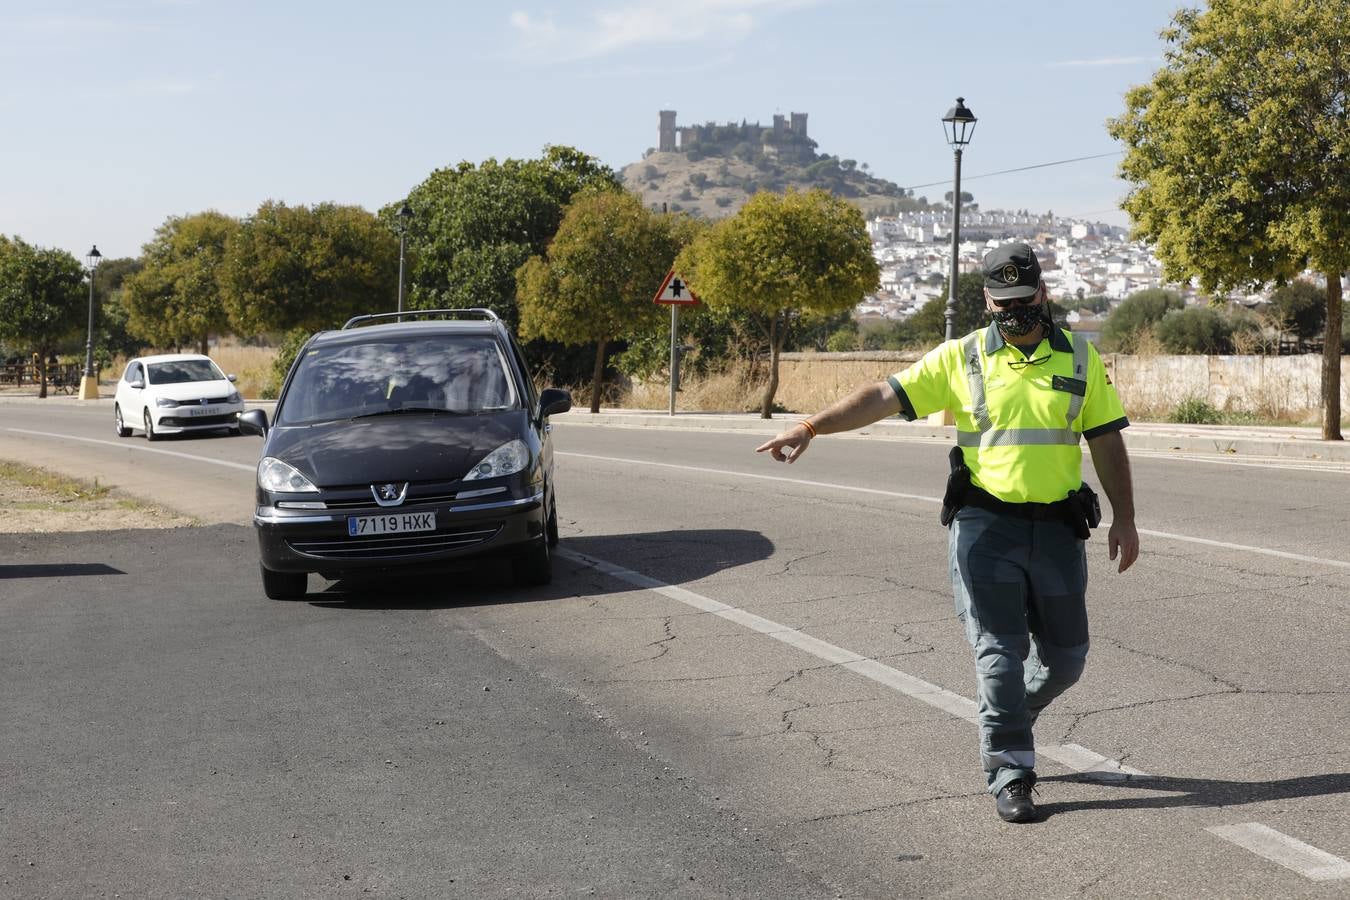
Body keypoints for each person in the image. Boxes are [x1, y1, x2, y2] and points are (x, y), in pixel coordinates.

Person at [756, 242, 1139, 824]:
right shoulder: (961, 357)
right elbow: (882, 397)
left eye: (1024, 299)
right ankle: (1011, 770)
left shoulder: (1082, 359)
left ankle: (1008, 714)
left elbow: (1107, 440)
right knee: (1000, 658)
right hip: (985, 530)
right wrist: (813, 425)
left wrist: (1126, 517)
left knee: (1067, 661)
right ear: (987, 299)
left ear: (1044, 292)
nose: (1014, 311)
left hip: (1058, 533)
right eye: (1002, 301)